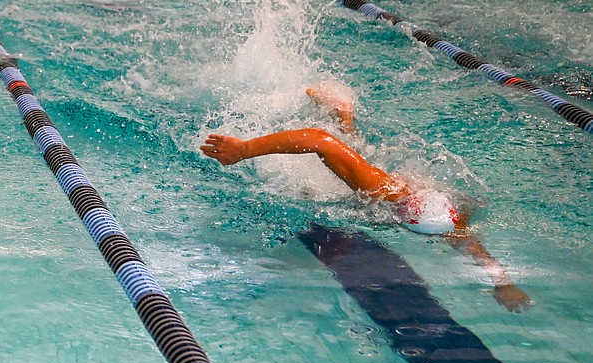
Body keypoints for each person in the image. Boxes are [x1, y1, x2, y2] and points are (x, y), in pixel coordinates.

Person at [200, 84, 531, 312]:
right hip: (386, 187)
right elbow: (319, 141)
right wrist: (243, 150)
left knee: (357, 161)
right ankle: (341, 114)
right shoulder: (385, 193)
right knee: (349, 173)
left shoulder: (451, 222)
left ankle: (343, 114)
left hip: (413, 193)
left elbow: (475, 249)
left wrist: (503, 284)